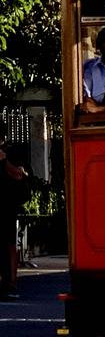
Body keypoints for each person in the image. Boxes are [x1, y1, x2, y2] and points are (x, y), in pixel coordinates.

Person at [0, 122, 27, 300]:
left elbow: (20, 174)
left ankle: (10, 282)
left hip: (6, 205)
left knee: (8, 243)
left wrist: (4, 161)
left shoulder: (12, 152)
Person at [81, 27, 105, 114]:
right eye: (103, 43)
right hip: (99, 121)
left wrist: (99, 108)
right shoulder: (90, 68)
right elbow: (87, 102)